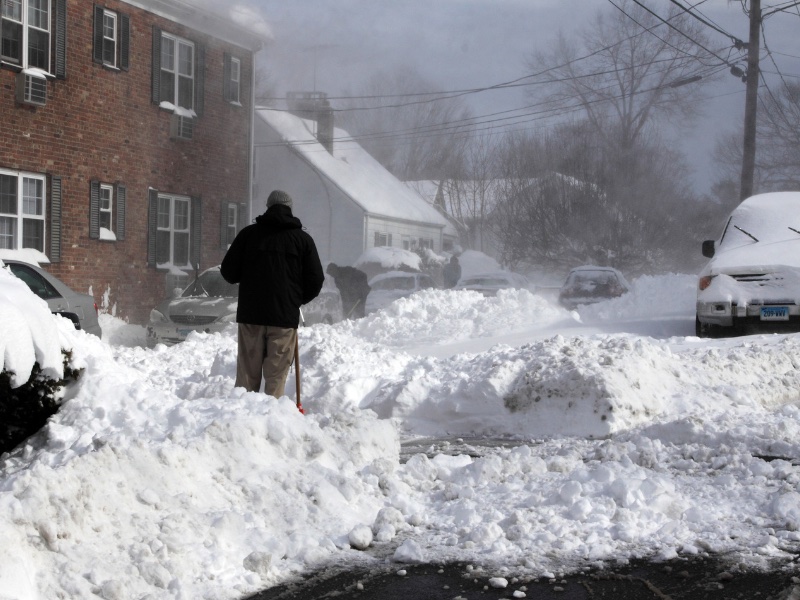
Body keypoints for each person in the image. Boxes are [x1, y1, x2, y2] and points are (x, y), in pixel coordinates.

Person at [221, 190, 324, 396]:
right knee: (276, 377)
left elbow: (228, 272)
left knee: (247, 378)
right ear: (290, 209)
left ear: (267, 207)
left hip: (251, 317)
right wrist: (295, 300)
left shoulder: (248, 235)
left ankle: (242, 420)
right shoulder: (302, 240)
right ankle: (271, 418)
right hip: (284, 319)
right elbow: (316, 279)